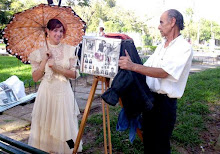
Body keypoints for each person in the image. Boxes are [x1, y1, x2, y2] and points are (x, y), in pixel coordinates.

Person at [118, 9, 193, 154]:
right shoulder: (161, 46)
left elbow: (164, 72)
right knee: (149, 144)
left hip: (165, 105)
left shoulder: (183, 47)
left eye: (161, 22)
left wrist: (133, 66)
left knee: (160, 147)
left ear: (172, 22)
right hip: (150, 101)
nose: (158, 26)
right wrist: (129, 61)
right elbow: (146, 68)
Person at [28, 18, 82, 153]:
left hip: (63, 92)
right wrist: (44, 60)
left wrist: (56, 67)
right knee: (46, 124)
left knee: (66, 125)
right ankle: (46, 150)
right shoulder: (38, 52)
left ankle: (69, 149)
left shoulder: (70, 50)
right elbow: (35, 78)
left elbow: (75, 74)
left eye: (61, 31)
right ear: (47, 31)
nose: (58, 34)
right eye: (55, 30)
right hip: (46, 94)